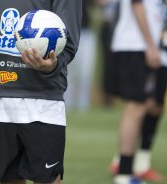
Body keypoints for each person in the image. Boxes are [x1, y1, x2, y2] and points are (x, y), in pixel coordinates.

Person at [0, 0, 82, 184]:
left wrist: (52, 65)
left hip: (43, 100)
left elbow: (68, 43)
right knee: (9, 178)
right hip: (1, 100)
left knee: (47, 179)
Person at [109, 0, 165, 183]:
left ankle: (133, 165)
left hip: (150, 48)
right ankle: (124, 173)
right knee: (136, 107)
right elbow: (137, 4)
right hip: (137, 46)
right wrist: (150, 45)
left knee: (151, 106)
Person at [64, 0, 97, 111]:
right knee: (69, 71)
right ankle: (67, 102)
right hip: (68, 32)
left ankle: (83, 104)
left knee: (86, 71)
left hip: (86, 33)